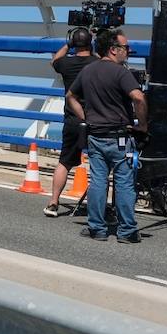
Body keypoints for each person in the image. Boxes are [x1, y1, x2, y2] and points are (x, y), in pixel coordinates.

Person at [65, 29, 147, 243]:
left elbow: (70, 96)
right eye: (125, 48)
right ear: (113, 49)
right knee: (124, 184)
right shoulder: (121, 72)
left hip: (95, 135)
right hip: (120, 136)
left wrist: (86, 116)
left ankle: (97, 228)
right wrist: (143, 125)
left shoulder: (88, 71)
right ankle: (127, 231)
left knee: (98, 182)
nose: (128, 52)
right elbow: (138, 98)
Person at [45, 27, 97, 217]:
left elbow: (54, 61)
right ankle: (97, 207)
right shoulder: (97, 62)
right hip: (96, 119)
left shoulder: (66, 64)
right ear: (90, 43)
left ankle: (53, 202)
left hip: (73, 119)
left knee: (64, 162)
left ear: (74, 43)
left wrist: (68, 44)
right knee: (99, 164)